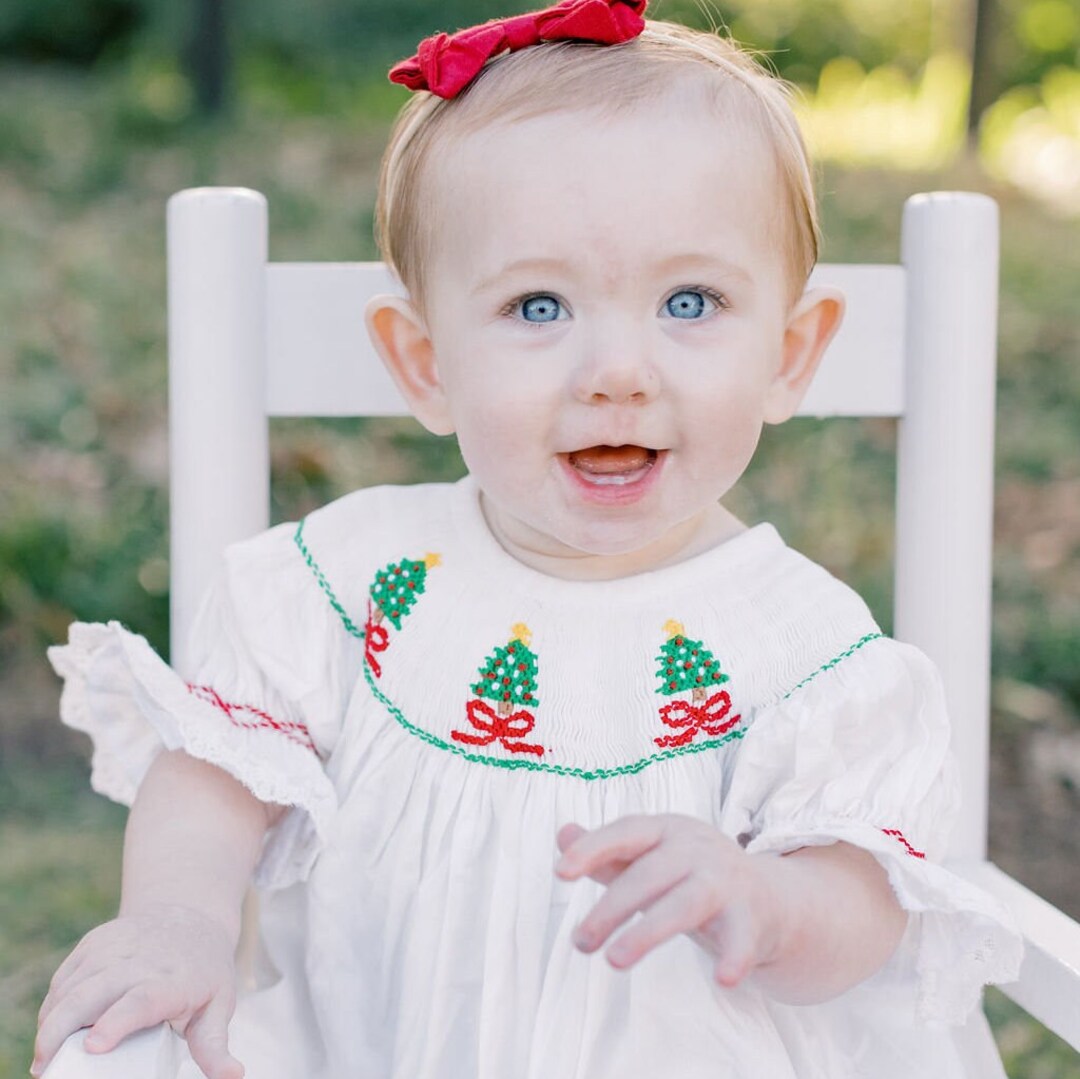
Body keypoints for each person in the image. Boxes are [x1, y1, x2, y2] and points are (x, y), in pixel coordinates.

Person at [34, 2, 1023, 1077]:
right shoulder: (355, 584)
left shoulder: (808, 646)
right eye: (539, 306)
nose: (617, 369)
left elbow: (864, 899)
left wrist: (769, 899)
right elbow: (216, 775)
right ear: (423, 362)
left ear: (790, 354)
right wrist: (177, 917)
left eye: (690, 300)